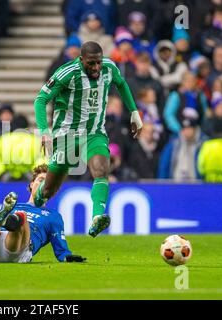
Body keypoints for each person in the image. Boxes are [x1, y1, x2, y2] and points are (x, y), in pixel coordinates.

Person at [33, 41, 143, 238]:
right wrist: (44, 131)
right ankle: (37, 197)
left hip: (94, 133)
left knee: (102, 170)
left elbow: (122, 84)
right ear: (81, 59)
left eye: (99, 62)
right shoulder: (66, 73)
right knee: (48, 190)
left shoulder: (109, 68)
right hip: (66, 135)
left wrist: (134, 112)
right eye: (91, 63)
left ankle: (96, 218)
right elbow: (40, 99)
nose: (96, 68)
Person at [0, 164, 86, 263]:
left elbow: (61, 251)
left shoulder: (53, 216)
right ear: (31, 184)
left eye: (47, 183)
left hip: (18, 249)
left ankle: (4, 221)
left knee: (21, 217)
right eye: (41, 180)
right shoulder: (15, 205)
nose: (44, 185)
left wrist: (68, 257)